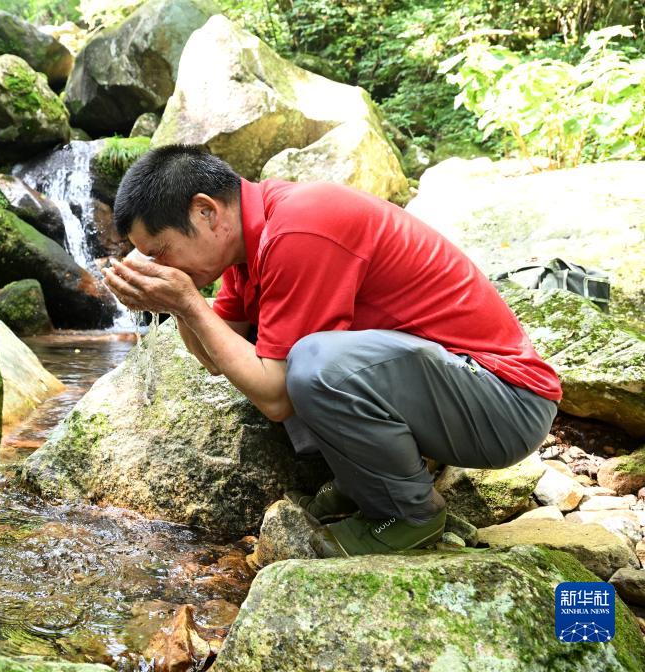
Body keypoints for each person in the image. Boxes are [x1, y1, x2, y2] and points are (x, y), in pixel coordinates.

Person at [101, 144, 561, 558]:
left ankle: (408, 515)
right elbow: (217, 357)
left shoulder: (302, 225)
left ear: (206, 212)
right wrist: (179, 304)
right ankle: (369, 483)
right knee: (274, 349)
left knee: (311, 364)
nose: (158, 266)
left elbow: (276, 397)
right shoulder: (246, 248)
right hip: (457, 393)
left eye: (160, 252)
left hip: (506, 405)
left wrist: (187, 301)